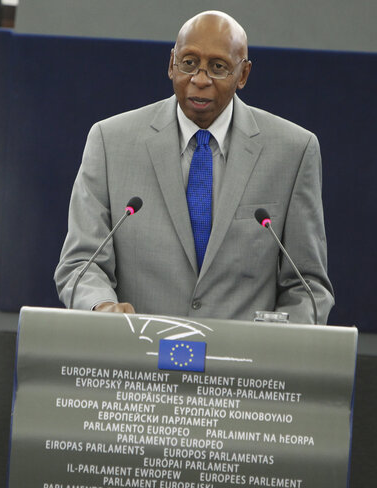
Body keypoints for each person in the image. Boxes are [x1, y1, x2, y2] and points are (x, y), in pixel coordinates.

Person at [54, 10, 334, 324]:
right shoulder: (110, 141)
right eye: (189, 63)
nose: (200, 80)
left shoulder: (293, 151)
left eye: (218, 67)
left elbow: (308, 285)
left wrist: (279, 342)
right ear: (171, 64)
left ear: (243, 75)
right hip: (137, 358)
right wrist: (101, 308)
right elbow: (81, 262)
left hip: (242, 365)